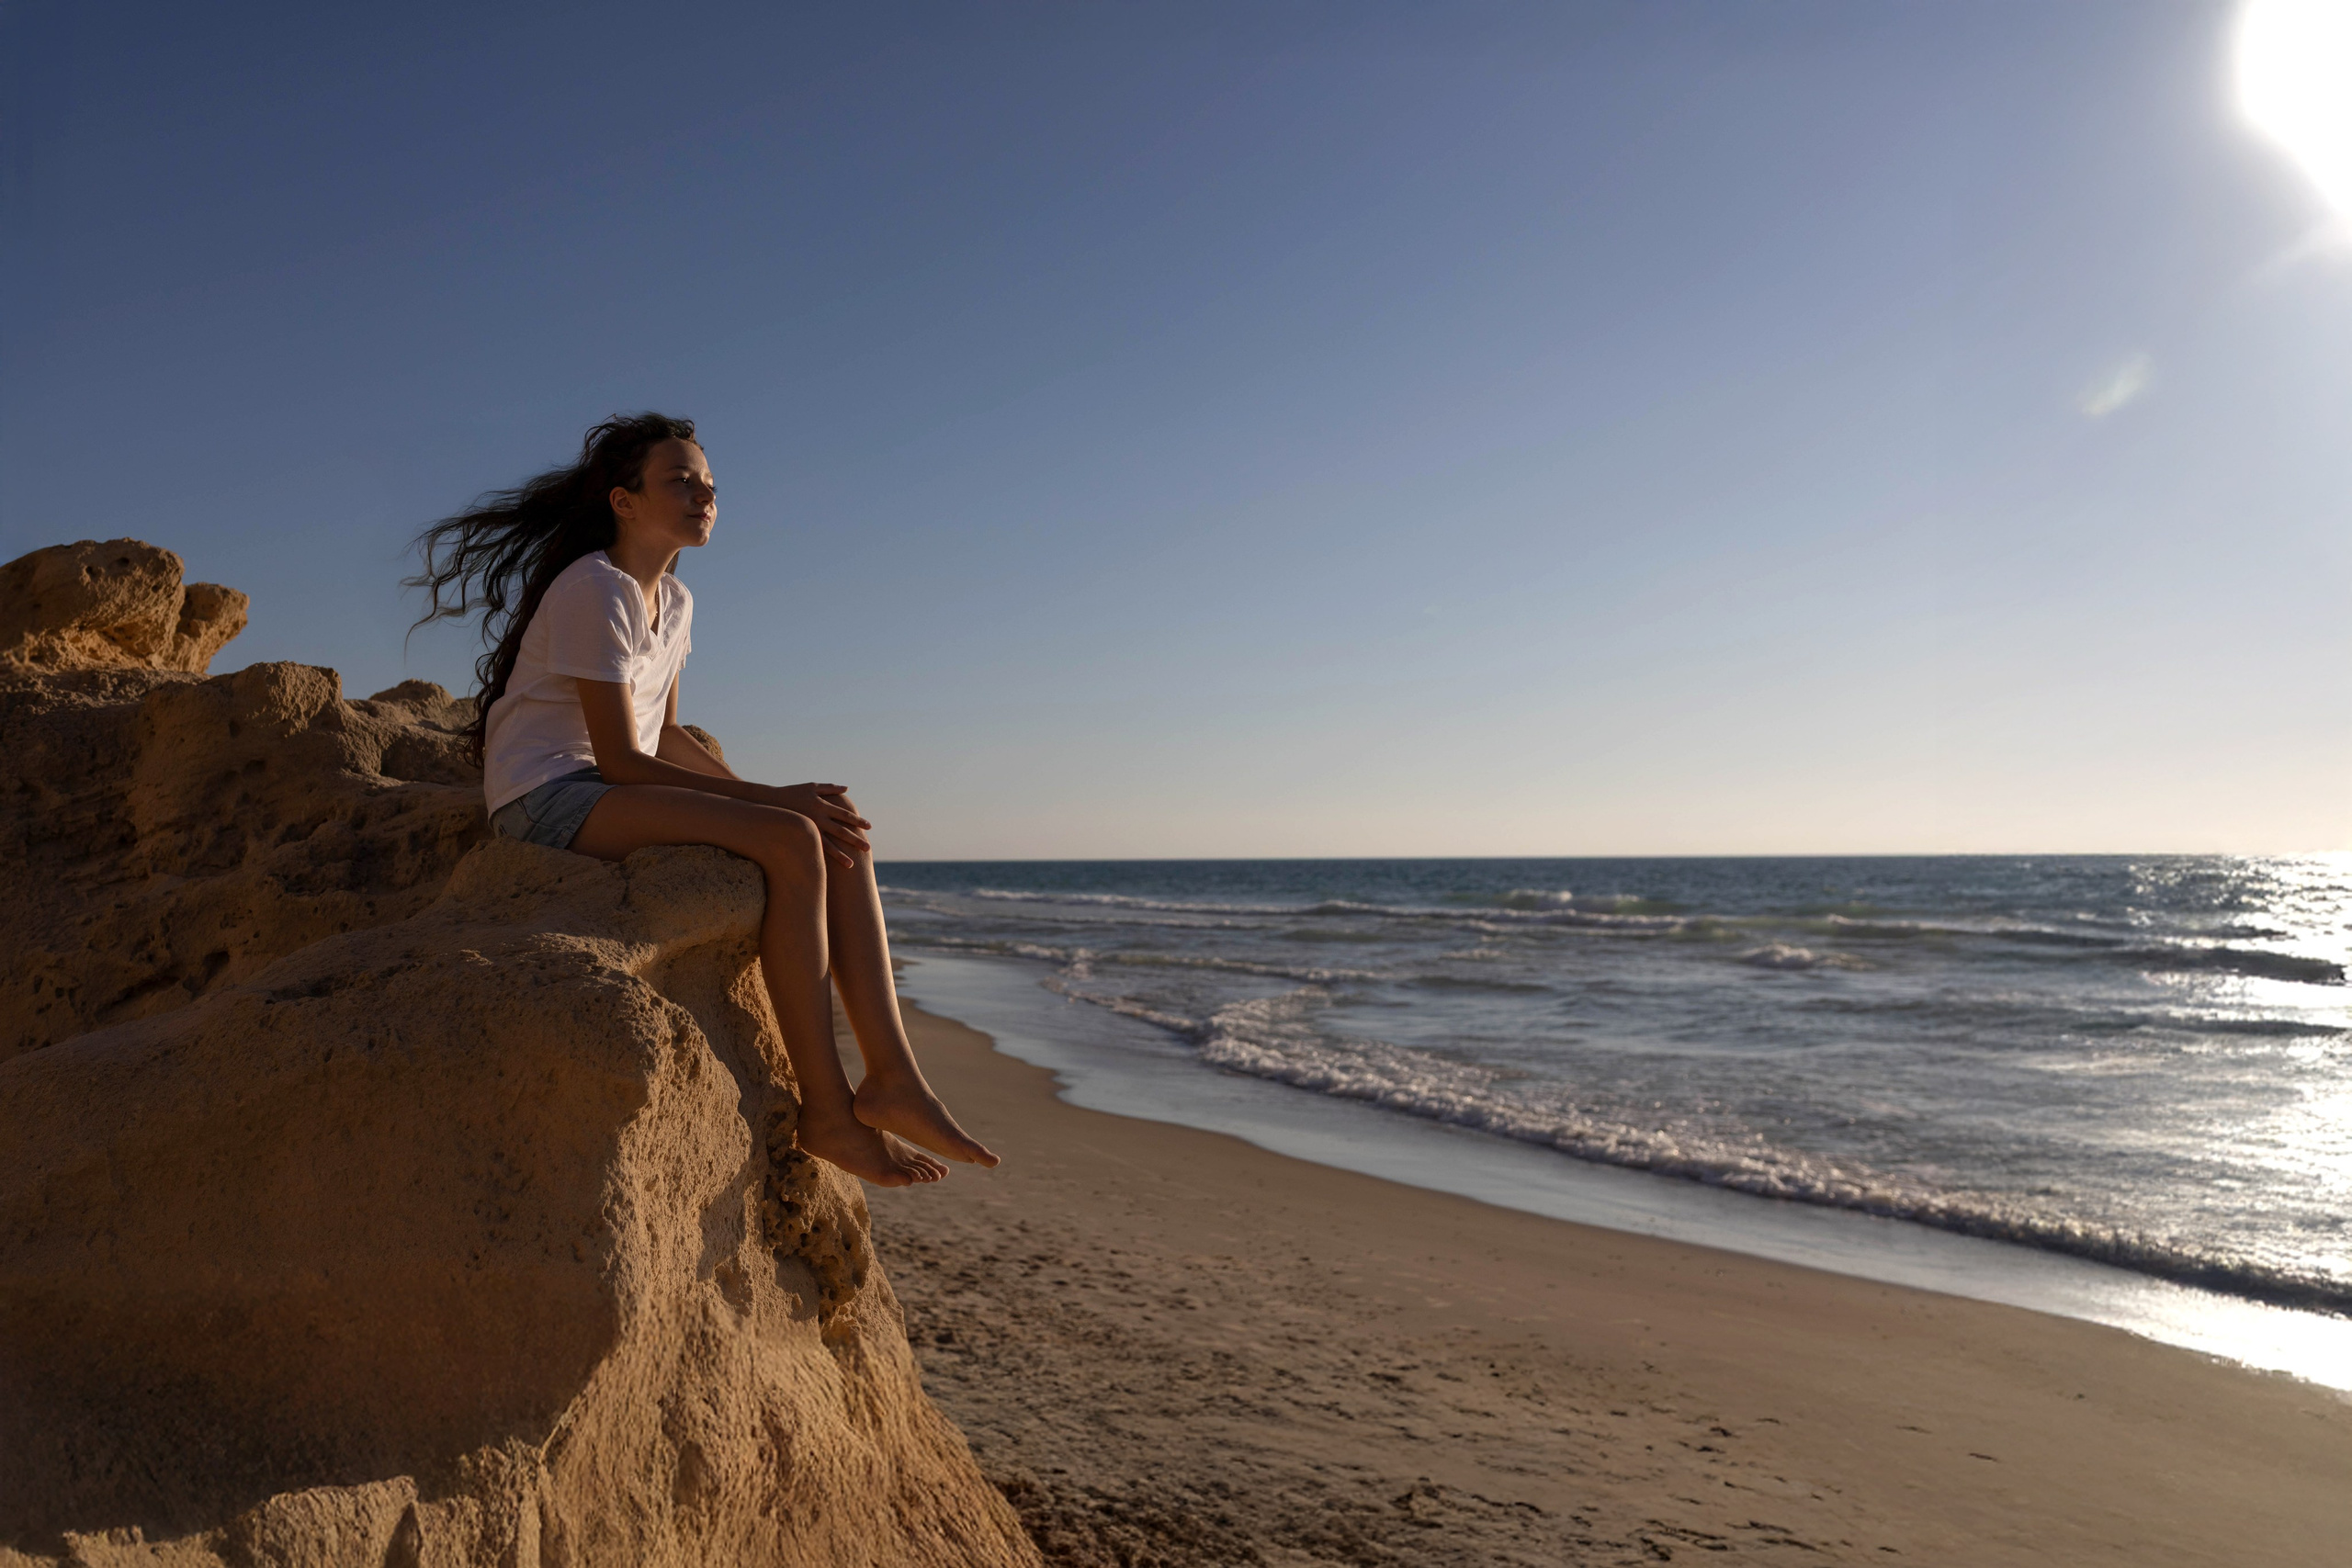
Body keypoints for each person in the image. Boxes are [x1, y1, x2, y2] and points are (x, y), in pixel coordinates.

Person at [408, 412, 994, 1188]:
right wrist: (773, 804)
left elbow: (669, 733)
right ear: (624, 500)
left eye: (710, 485)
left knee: (836, 836)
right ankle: (827, 1108)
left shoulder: (675, 602)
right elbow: (620, 758)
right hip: (544, 796)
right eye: (681, 480)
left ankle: (894, 1077)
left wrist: (786, 804)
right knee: (790, 837)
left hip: (602, 787)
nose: (704, 496)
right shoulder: (595, 587)